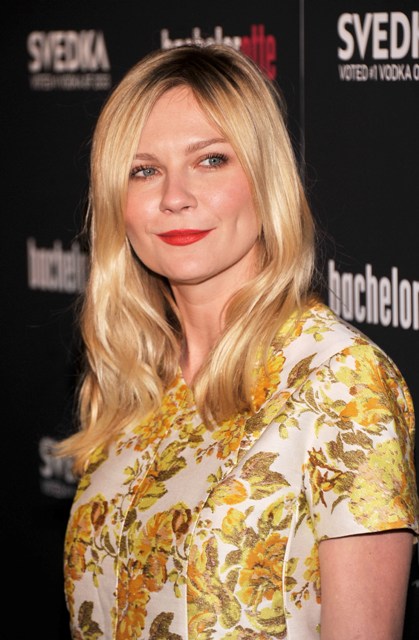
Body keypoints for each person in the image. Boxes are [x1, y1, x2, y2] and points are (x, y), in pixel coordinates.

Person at [60, 43, 419, 640]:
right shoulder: (136, 379)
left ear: (265, 178)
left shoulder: (339, 381)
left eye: (210, 160)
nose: (174, 196)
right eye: (143, 170)